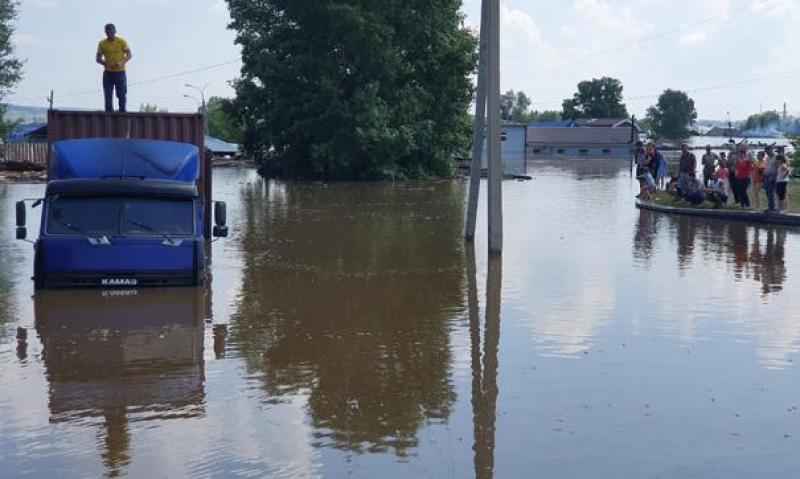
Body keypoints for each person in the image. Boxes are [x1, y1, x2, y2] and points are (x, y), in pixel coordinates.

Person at [96, 23, 132, 113]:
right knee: (108, 95)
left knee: (121, 94)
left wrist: (122, 62)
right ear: (105, 33)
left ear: (115, 31)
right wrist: (105, 63)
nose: (109, 34)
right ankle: (109, 114)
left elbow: (129, 54)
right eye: (107, 32)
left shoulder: (121, 41)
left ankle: (122, 112)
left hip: (120, 72)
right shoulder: (102, 43)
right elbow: (98, 58)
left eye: (111, 31)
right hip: (108, 73)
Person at [762, 145, 778, 213]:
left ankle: (772, 208)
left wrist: (774, 176)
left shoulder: (776, 157)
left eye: (768, 151)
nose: (767, 153)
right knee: (767, 193)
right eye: (766, 151)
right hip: (766, 177)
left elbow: (777, 168)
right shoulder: (767, 157)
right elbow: (766, 167)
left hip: (772, 177)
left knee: (771, 192)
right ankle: (769, 207)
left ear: (771, 150)